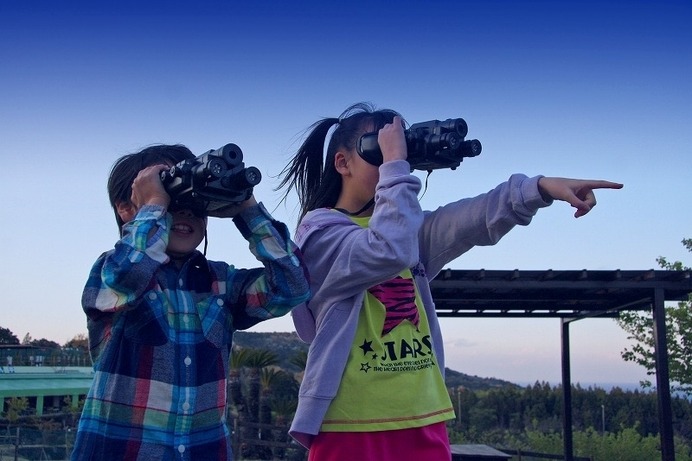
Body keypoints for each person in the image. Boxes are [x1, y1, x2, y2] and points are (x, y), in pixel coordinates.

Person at [277, 102, 623, 461]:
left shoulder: (409, 229)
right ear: (342, 162)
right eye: (378, 151)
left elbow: (474, 218)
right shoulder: (321, 236)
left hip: (424, 416)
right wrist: (396, 165)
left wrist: (540, 189)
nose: (393, 162)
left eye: (399, 153)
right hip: (352, 423)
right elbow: (388, 250)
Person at [72, 144, 310, 461]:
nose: (185, 211)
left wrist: (247, 209)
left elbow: (293, 285)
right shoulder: (110, 273)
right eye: (173, 199)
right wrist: (156, 204)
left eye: (194, 203)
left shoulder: (222, 284)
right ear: (127, 209)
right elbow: (128, 276)